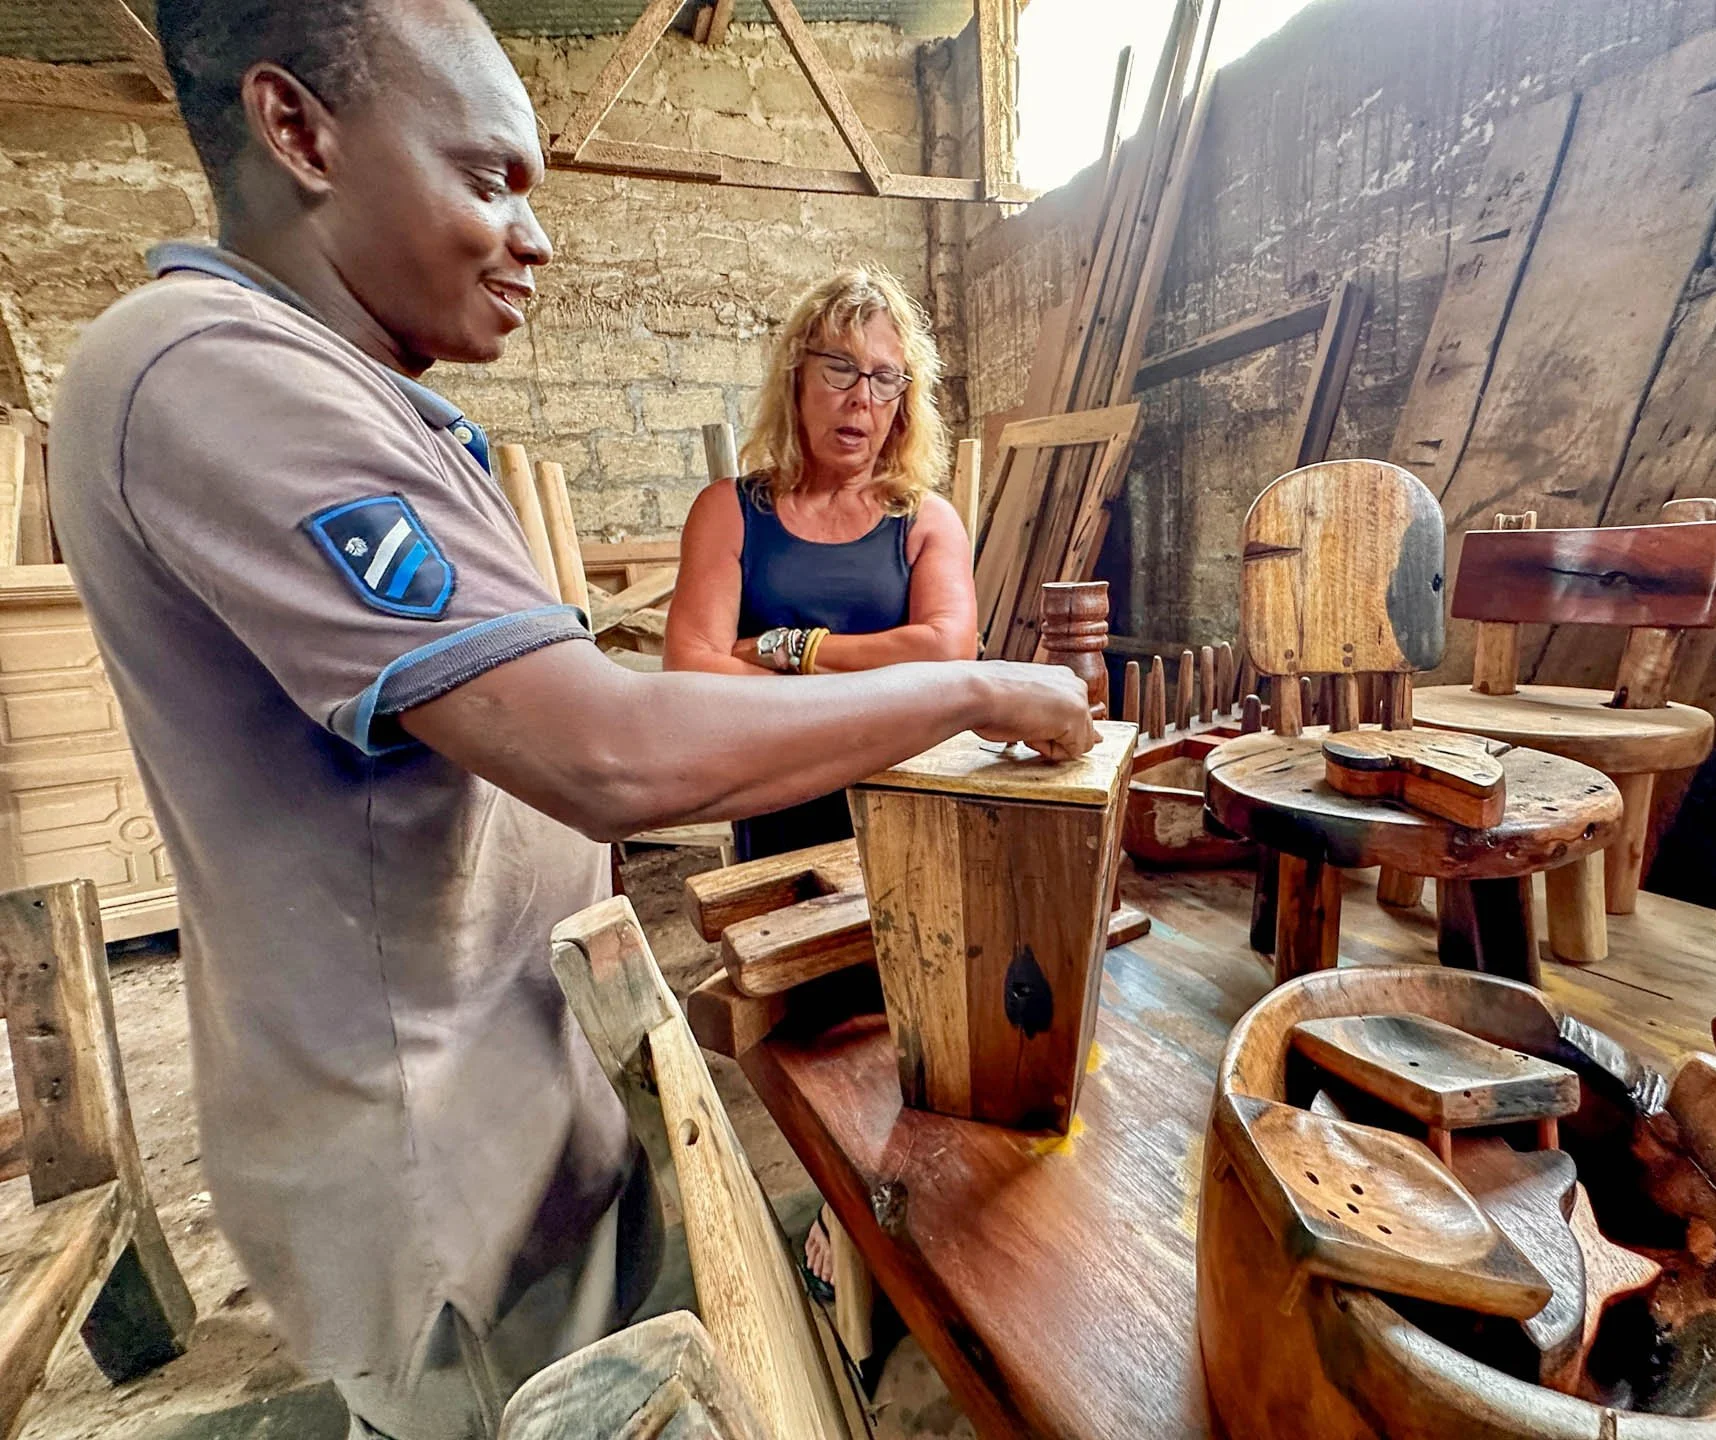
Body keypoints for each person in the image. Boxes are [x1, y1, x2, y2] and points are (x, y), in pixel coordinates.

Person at [48, 3, 1096, 1438]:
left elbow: (672, 689)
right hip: (435, 1172)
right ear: (299, 132)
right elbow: (613, 743)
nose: (533, 238)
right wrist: (979, 685)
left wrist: (795, 666)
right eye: (488, 180)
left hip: (517, 1082)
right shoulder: (217, 375)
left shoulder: (375, 398)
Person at [665, 269, 977, 862]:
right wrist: (883, 694)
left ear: (903, 402)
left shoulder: (927, 520)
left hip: (908, 807)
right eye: (839, 368)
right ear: (797, 380)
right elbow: (690, 671)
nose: (862, 396)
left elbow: (947, 651)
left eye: (885, 378)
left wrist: (784, 648)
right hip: (775, 807)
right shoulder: (728, 511)